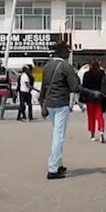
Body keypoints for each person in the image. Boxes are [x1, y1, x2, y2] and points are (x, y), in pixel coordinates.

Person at [39, 43, 91, 180]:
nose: (68, 54)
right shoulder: (66, 67)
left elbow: (43, 87)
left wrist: (42, 104)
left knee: (57, 133)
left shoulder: (47, 66)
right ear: (62, 53)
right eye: (67, 51)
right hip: (61, 104)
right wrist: (90, 92)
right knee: (58, 136)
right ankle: (53, 168)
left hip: (49, 104)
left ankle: (58, 163)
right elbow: (74, 87)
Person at [81, 59, 105, 142]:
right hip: (99, 97)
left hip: (89, 97)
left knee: (91, 117)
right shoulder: (102, 74)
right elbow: (104, 85)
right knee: (99, 115)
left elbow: (84, 87)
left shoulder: (87, 74)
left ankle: (92, 134)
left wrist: (83, 98)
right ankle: (101, 130)